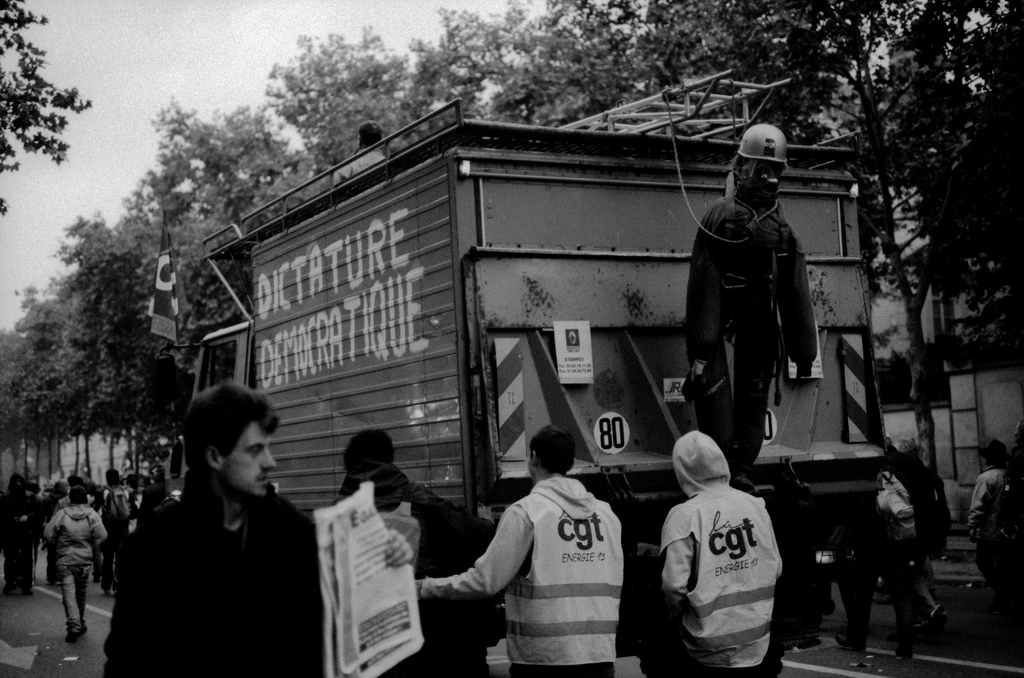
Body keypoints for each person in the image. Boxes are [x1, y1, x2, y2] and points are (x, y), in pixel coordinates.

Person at [103, 383, 410, 678]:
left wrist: (385, 554)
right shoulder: (153, 546)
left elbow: (337, 608)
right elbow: (127, 664)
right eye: (254, 450)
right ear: (213, 457)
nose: (270, 462)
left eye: (268, 448)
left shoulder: (290, 526)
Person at [418, 425, 624, 677]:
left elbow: (485, 581)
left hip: (544, 661)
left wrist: (425, 588)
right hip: (599, 657)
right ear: (570, 463)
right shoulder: (606, 515)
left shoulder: (526, 513)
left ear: (534, 458)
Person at [682, 124, 818, 493]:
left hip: (757, 322)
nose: (768, 178)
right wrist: (701, 348)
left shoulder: (774, 227)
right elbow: (705, 283)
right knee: (729, 397)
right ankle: (731, 467)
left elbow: (793, 290)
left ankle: (736, 468)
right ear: (741, 168)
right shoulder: (740, 221)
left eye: (772, 171)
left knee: (747, 395)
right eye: (763, 169)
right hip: (741, 319)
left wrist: (802, 350)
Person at [338, 428, 497, 677]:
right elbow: (474, 532)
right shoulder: (416, 496)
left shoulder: (336, 513)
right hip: (419, 623)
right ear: (389, 458)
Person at [660, 431, 783, 676]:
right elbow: (775, 567)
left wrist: (678, 624)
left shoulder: (684, 516)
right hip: (757, 643)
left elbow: (674, 588)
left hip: (707, 651)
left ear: (682, 471)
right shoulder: (755, 505)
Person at [876, 444, 947, 659]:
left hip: (898, 540)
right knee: (915, 575)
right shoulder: (916, 466)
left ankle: (906, 643)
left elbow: (884, 504)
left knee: (901, 592)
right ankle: (932, 611)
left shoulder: (887, 471)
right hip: (920, 535)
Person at [43, 485, 107, 642]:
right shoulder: (91, 514)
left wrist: (57, 544)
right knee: (81, 593)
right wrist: (90, 544)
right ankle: (81, 622)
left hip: (65, 560)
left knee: (68, 594)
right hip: (84, 561)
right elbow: (102, 535)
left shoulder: (61, 514)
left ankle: (74, 626)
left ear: (70, 498)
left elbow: (48, 534)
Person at [969, 439, 1011, 614]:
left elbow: (979, 504)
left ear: (989, 459)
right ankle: (1002, 600)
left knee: (984, 562)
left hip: (988, 531)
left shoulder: (986, 478)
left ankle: (1004, 594)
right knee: (1003, 565)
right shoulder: (1008, 474)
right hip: (1006, 530)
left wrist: (972, 525)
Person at [1, 473, 40, 594]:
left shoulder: (31, 496)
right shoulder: (5, 497)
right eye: (15, 481)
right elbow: (1, 515)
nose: (18, 484)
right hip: (10, 531)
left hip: (25, 531)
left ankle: (26, 585)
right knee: (10, 558)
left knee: (27, 559)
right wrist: (11, 518)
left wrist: (27, 517)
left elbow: (37, 513)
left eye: (20, 481)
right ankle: (10, 581)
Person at [100, 469, 132, 595]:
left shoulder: (106, 492)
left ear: (107, 478)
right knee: (120, 558)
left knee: (107, 558)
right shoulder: (125, 492)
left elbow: (102, 510)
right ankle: (118, 585)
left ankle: (106, 585)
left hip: (109, 529)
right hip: (123, 529)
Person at [42, 479, 70, 584]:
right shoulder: (67, 500)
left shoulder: (47, 499)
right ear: (62, 488)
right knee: (63, 552)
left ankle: (51, 575)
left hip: (51, 527)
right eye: (66, 486)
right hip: (65, 527)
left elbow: (43, 515)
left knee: (51, 553)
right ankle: (60, 574)